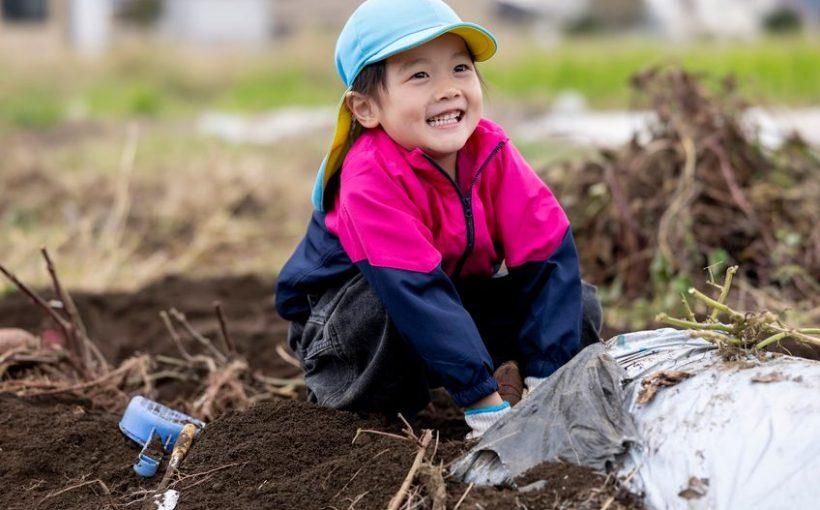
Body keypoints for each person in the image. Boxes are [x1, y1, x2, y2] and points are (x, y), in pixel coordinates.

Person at [276, 0, 602, 439]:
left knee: (575, 300)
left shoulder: (491, 151)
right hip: (350, 332)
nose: (448, 89)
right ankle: (371, 400)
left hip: (443, 305)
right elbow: (414, 292)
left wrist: (549, 378)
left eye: (460, 69)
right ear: (365, 108)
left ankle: (523, 380)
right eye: (420, 75)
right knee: (384, 313)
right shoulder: (368, 177)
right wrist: (483, 406)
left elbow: (548, 253)